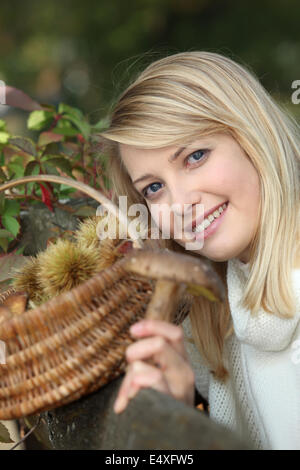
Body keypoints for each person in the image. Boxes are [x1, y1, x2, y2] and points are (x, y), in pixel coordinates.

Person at [99, 51, 300, 450]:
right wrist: (182, 421)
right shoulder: (212, 320)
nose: (179, 204)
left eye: (195, 156)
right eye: (154, 188)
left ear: (252, 136)